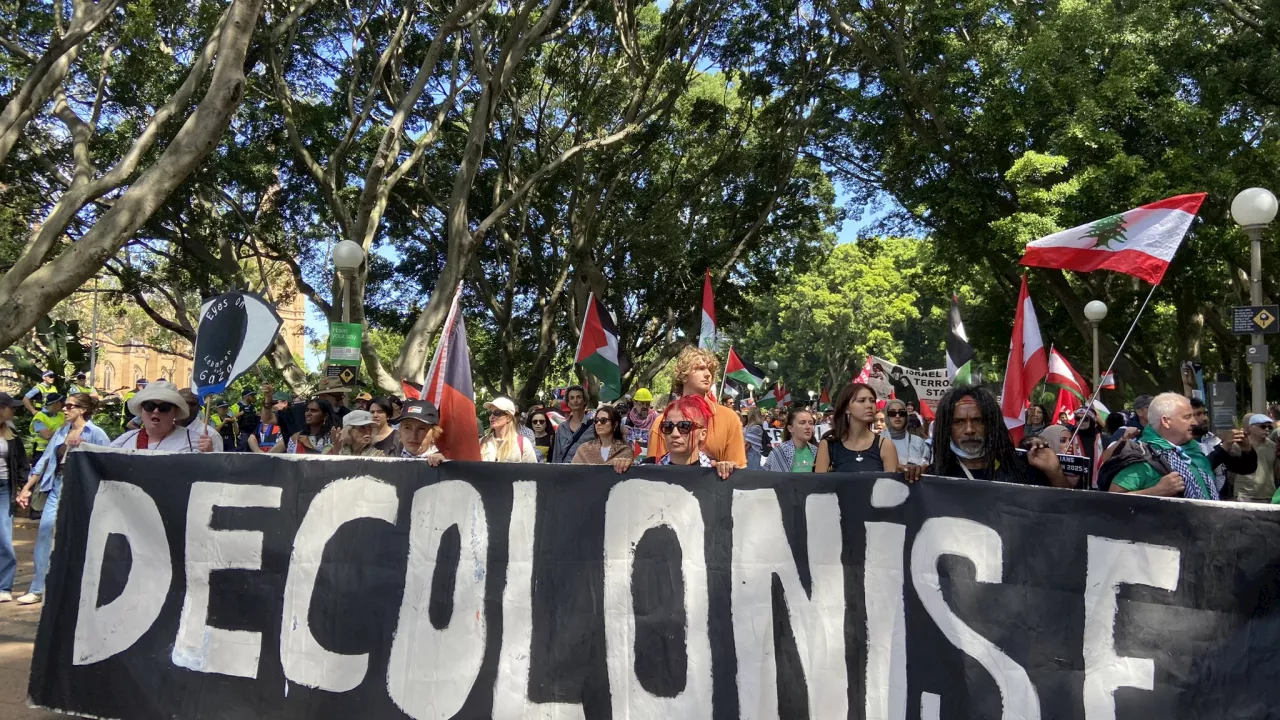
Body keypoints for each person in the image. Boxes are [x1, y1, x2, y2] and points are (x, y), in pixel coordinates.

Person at [15, 393, 110, 605]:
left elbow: (108, 461)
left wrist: (84, 447)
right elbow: (45, 460)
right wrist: (27, 488)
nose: (65, 409)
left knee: (81, 536)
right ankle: (38, 588)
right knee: (45, 533)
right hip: (57, 485)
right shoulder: (61, 432)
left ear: (83, 410)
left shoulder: (96, 433)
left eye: (70, 406)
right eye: (65, 406)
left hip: (83, 489)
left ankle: (80, 586)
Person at [925, 384, 1069, 487]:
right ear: (946, 428)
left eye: (978, 420)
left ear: (991, 424)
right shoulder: (930, 478)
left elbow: (1063, 514)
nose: (969, 430)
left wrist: (1055, 474)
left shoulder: (1021, 473)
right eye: (959, 422)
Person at [647, 347, 747, 467]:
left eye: (710, 370)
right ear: (683, 374)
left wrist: (728, 468)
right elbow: (654, 472)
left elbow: (739, 469)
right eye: (700, 368)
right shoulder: (663, 423)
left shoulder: (729, 418)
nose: (708, 374)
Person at [1104, 393, 1216, 499]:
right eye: (1187, 417)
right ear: (1166, 421)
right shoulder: (1143, 457)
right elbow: (1114, 500)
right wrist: (1156, 491)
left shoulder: (1193, 451)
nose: (1195, 422)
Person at [106, 381, 216, 453]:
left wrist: (208, 456)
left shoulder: (195, 443)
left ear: (175, 411)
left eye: (164, 407)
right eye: (150, 406)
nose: (156, 411)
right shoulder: (123, 441)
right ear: (141, 409)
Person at [817, 383, 900, 473]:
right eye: (861, 400)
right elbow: (820, 484)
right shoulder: (829, 445)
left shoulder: (886, 445)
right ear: (847, 408)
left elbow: (892, 485)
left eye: (872, 401)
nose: (869, 405)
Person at [653, 395, 736, 479]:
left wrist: (729, 471)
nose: (675, 434)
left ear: (702, 434)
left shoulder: (718, 473)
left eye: (684, 426)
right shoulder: (647, 471)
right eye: (668, 426)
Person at [1188, 397, 1254, 497]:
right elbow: (1199, 470)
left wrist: (1247, 449)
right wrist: (1225, 446)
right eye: (1198, 414)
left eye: (1205, 413)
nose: (1205, 418)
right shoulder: (1178, 444)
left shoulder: (1213, 441)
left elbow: (1245, 468)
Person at [0, 394, 28, 603]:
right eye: (12, 408)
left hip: (3, 490)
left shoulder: (11, 434)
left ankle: (4, 586)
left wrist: (22, 489)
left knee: (3, 539)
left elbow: (21, 464)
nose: (14, 411)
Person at [571, 405, 633, 471]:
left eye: (603, 420)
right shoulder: (584, 449)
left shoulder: (624, 450)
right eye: (596, 420)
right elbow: (573, 474)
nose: (599, 423)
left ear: (615, 424)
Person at [1232, 414, 1277, 502]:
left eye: (1269, 427)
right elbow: (1231, 472)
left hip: (1268, 495)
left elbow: (1275, 469)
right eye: (1263, 426)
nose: (1267, 429)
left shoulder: (1273, 446)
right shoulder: (1238, 445)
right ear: (1251, 427)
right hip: (1244, 494)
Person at [268, 398, 337, 455]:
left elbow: (328, 462)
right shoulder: (296, 437)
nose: (308, 413)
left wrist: (308, 445)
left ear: (325, 416)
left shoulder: (332, 436)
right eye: (307, 410)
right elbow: (291, 462)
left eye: (314, 411)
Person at [481, 397, 538, 463]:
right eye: (490, 413)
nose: (491, 417)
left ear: (508, 417)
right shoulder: (482, 442)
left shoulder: (523, 444)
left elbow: (532, 471)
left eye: (496, 412)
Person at [764, 406, 818, 472]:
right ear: (790, 428)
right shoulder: (779, 453)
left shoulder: (816, 451)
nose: (808, 427)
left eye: (811, 423)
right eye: (802, 423)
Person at [393, 400, 446, 464]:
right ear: (400, 431)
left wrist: (444, 466)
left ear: (434, 433)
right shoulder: (388, 463)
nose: (413, 436)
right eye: (407, 427)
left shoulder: (445, 466)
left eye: (421, 428)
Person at [882, 399, 931, 468]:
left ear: (906, 416)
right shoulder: (877, 442)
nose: (897, 416)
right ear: (887, 416)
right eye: (892, 413)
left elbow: (926, 463)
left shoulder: (918, 442)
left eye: (902, 413)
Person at [552, 386, 595, 463]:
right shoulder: (562, 427)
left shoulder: (593, 427)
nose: (575, 400)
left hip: (585, 471)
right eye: (572, 398)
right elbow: (557, 454)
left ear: (584, 401)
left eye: (578, 397)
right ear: (568, 403)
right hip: (564, 472)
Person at [30, 394, 66, 461]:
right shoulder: (40, 417)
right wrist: (63, 428)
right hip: (43, 453)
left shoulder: (62, 415)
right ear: (55, 403)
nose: (63, 405)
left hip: (59, 451)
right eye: (62, 402)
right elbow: (47, 435)